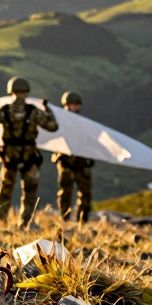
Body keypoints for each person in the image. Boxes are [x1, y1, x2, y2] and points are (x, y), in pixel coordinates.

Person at [0, 76, 57, 227]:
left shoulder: (4, 111)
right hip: (29, 156)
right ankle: (26, 222)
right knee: (30, 191)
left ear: (11, 92)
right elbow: (53, 127)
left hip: (9, 156)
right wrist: (49, 110)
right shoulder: (34, 112)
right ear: (27, 92)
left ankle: (1, 221)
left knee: (5, 190)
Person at [53, 91, 94, 223]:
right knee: (65, 192)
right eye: (71, 105)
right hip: (65, 161)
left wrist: (90, 157)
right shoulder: (59, 122)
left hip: (81, 161)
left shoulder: (83, 123)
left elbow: (90, 140)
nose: (74, 107)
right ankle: (65, 219)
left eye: (76, 105)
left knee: (85, 193)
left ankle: (83, 221)